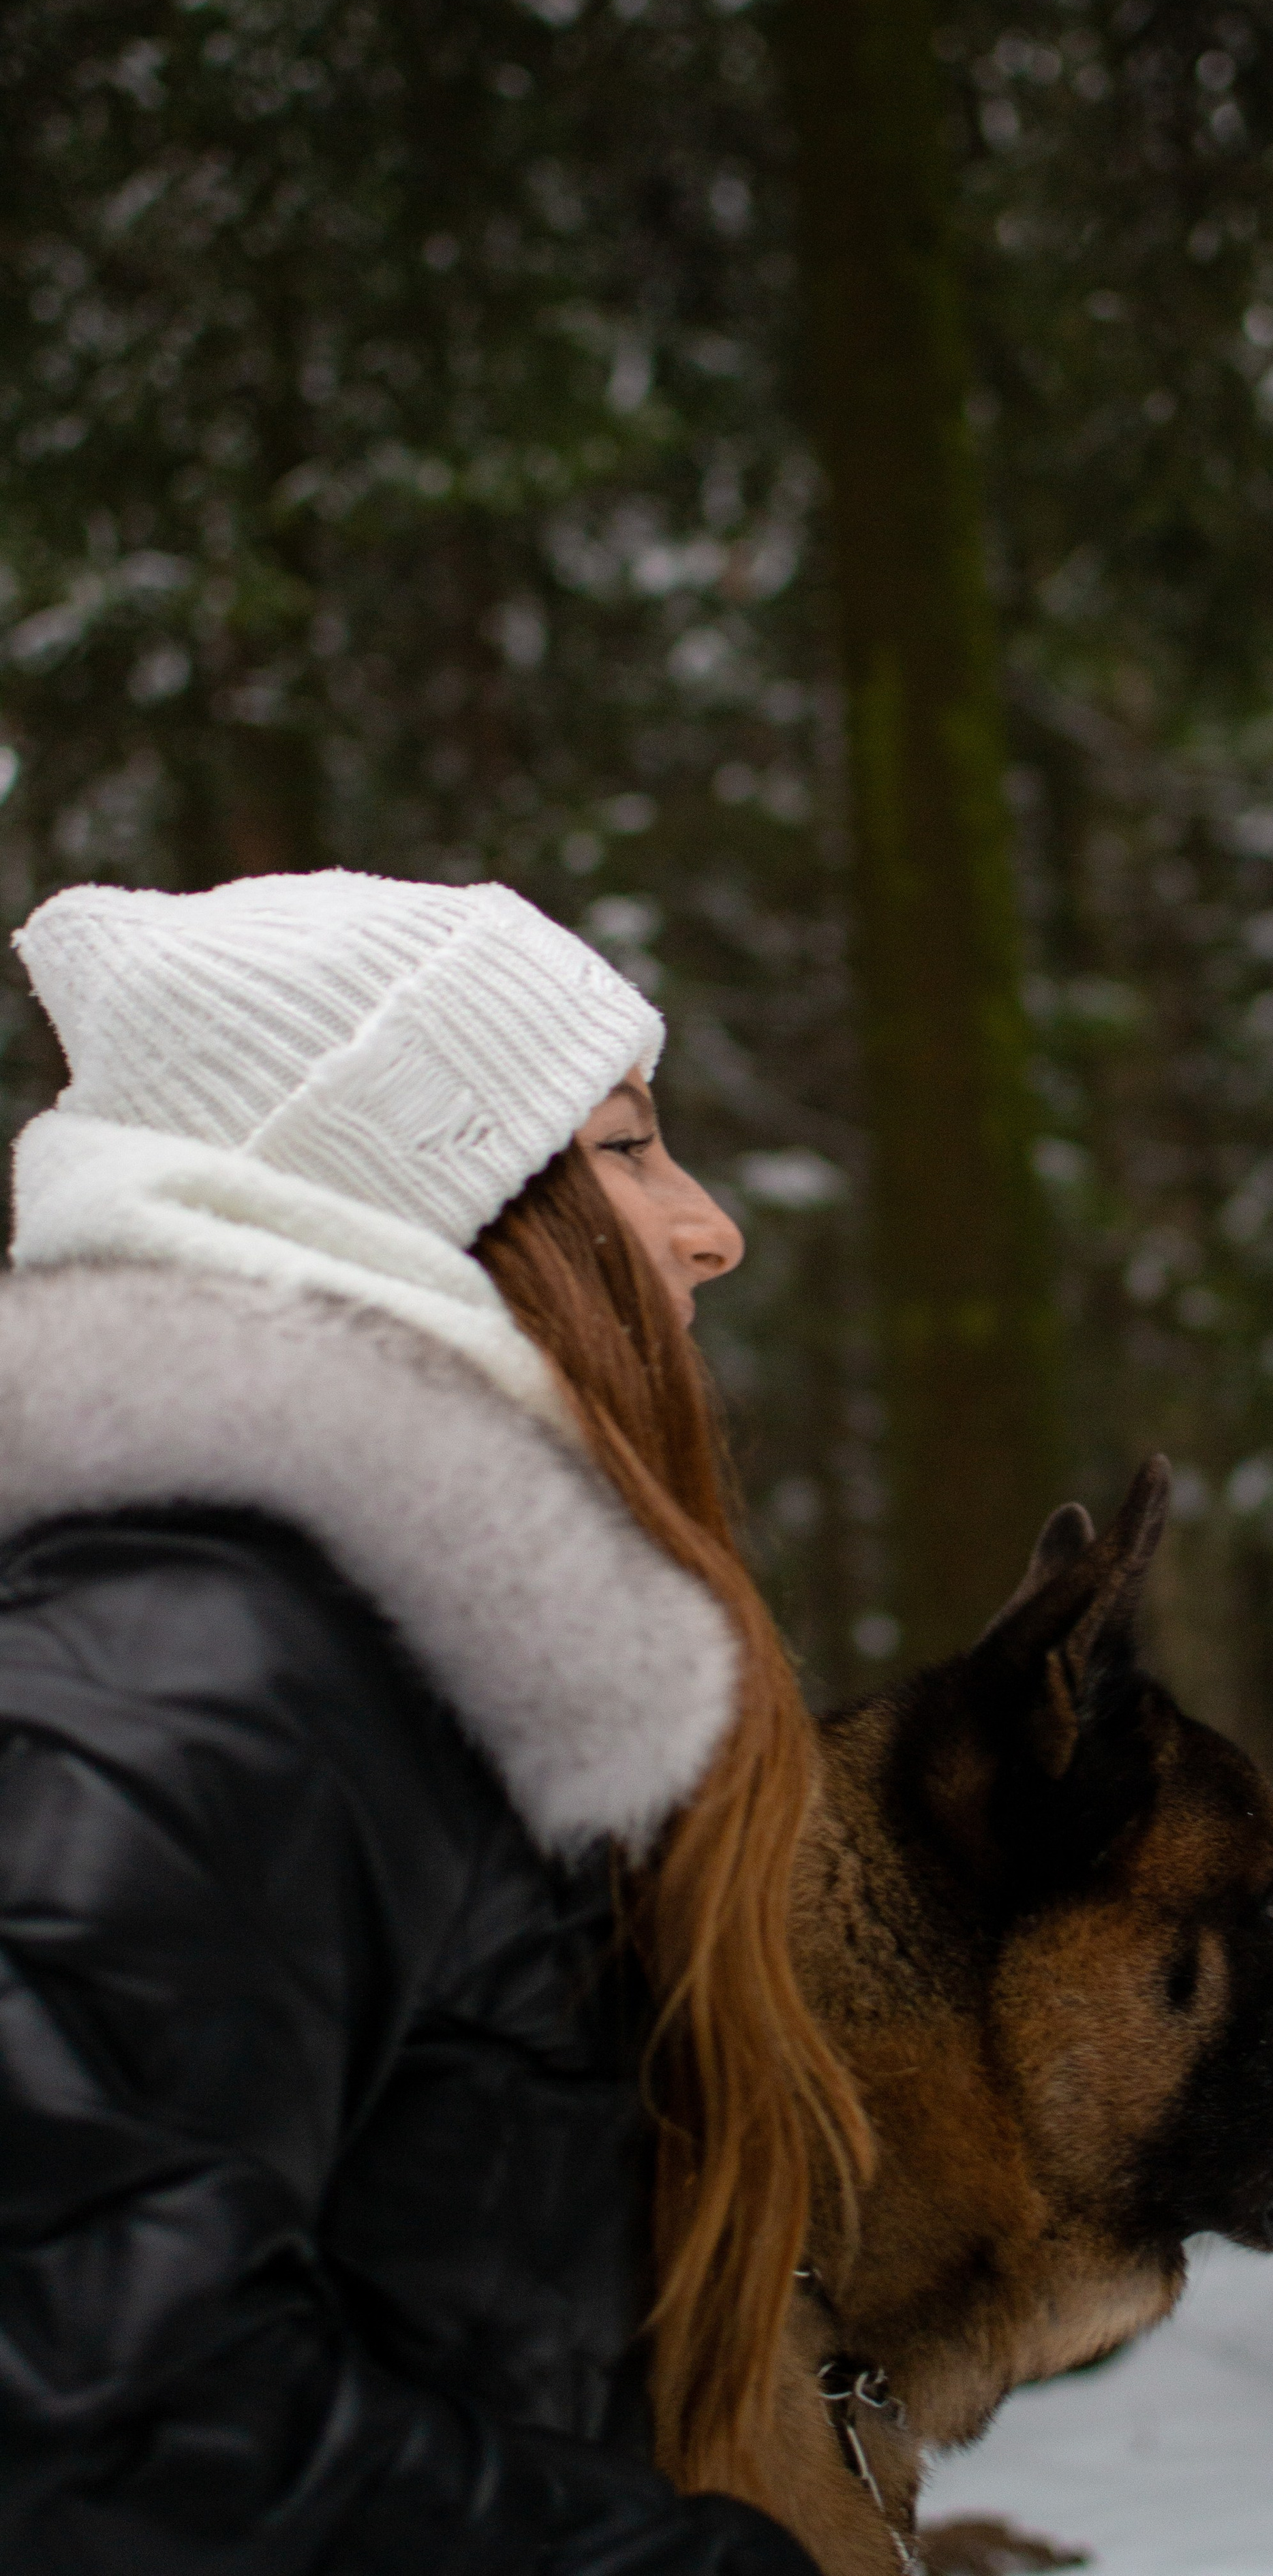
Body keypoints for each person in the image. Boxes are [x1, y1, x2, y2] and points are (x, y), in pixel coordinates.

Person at [0, 869, 871, 2575]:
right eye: (623, 1148)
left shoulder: (348, 1649)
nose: (710, 1225)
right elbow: (77, 2394)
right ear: (405, 1196)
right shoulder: (198, 1654)